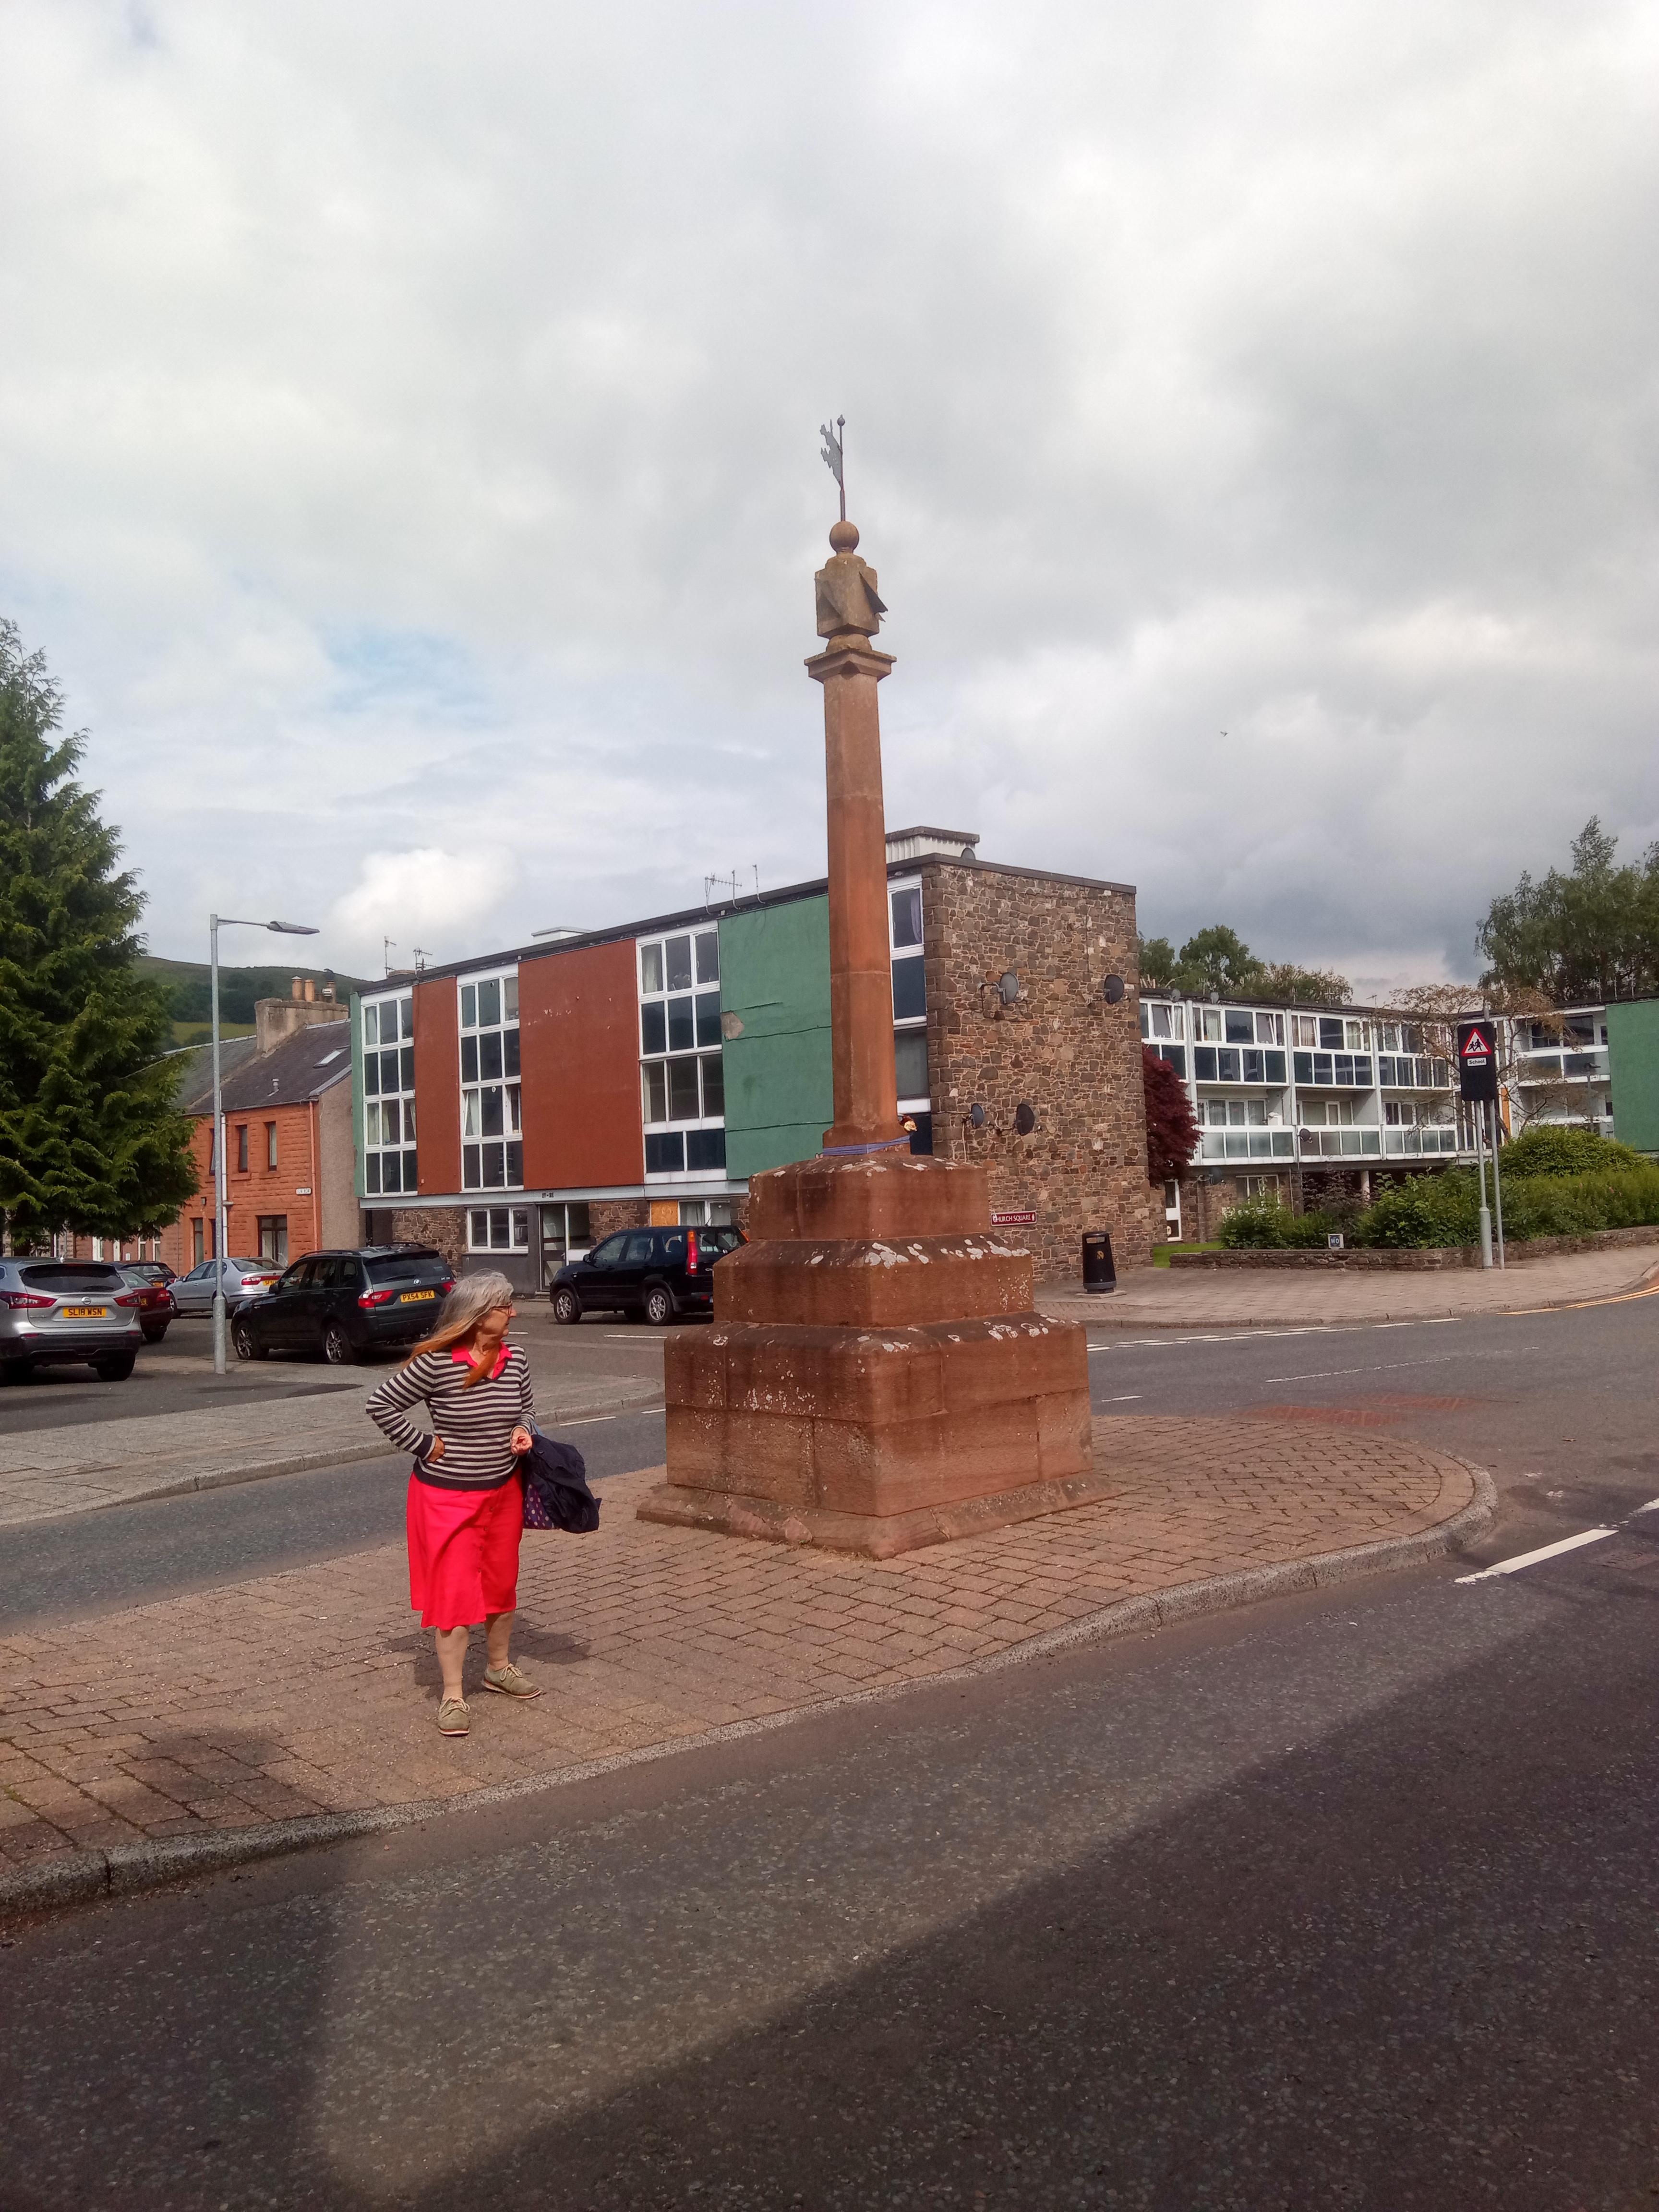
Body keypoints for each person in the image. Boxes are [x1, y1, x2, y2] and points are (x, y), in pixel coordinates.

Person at [365, 1269, 541, 1736]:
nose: (514, 1313)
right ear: (480, 1315)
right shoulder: (437, 1363)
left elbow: (526, 1407)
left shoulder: (515, 1358)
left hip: (504, 1490)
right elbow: (380, 1405)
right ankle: (453, 1695)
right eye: (505, 1306)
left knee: (501, 1584)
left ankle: (498, 1668)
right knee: (456, 1594)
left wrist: (523, 1431)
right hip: (447, 1496)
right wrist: (424, 1445)